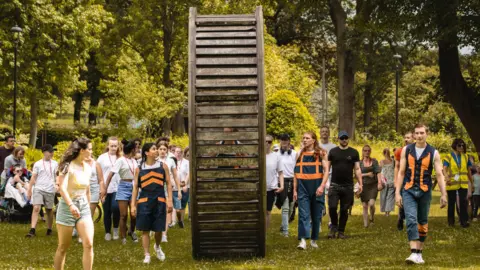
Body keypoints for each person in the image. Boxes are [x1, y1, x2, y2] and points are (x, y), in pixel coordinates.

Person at [395, 124, 447, 265]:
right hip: (408, 189)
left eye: (422, 133)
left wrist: (444, 194)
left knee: (422, 222)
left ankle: (419, 253)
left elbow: (439, 174)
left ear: (427, 134)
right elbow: (401, 172)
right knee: (411, 219)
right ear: (413, 135)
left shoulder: (433, 152)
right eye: (417, 133)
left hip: (424, 190)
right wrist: (397, 193)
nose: (419, 136)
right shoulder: (407, 150)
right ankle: (414, 252)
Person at [54, 138, 94, 270]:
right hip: (67, 207)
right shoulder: (67, 166)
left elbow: (87, 189)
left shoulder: (88, 167)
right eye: (90, 149)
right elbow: (62, 188)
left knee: (88, 244)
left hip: (83, 206)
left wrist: (87, 206)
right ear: (82, 150)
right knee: (63, 247)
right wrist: (71, 205)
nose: (91, 152)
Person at [131, 143, 173, 263]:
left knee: (159, 229)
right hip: (144, 202)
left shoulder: (163, 166)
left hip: (159, 201)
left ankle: (157, 247)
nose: (156, 151)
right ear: (146, 153)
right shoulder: (139, 169)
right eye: (154, 149)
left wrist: (169, 201)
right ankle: (147, 254)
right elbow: (135, 188)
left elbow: (169, 184)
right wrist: (133, 205)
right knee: (145, 229)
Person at [293, 131, 328, 249]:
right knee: (303, 214)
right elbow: (296, 173)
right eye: (303, 138)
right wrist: (294, 190)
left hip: (317, 187)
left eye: (307, 138)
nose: (304, 140)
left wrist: (322, 186)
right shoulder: (299, 154)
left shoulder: (321, 153)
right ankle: (302, 241)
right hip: (303, 188)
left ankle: (314, 240)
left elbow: (326, 171)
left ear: (313, 140)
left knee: (316, 215)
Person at [326, 131, 362, 239]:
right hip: (334, 185)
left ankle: (341, 231)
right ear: (338, 139)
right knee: (332, 207)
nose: (344, 140)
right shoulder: (333, 152)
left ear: (348, 139)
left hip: (348, 186)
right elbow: (327, 168)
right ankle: (333, 227)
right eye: (342, 138)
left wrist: (360, 183)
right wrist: (325, 182)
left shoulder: (354, 152)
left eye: (346, 138)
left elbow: (357, 168)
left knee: (344, 209)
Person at [106, 139, 139, 244]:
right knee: (123, 215)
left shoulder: (134, 161)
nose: (137, 150)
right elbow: (111, 174)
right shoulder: (120, 160)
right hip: (123, 187)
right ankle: (123, 236)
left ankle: (132, 231)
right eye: (136, 149)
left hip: (134, 187)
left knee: (134, 213)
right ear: (132, 150)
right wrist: (105, 188)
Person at [26, 144, 58, 237]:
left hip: (50, 189)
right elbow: (33, 177)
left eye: (52, 151)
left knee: (49, 209)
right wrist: (29, 190)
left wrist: (57, 185)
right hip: (39, 188)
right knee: (36, 208)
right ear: (44, 152)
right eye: (50, 151)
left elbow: (57, 176)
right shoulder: (38, 164)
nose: (52, 153)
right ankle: (32, 230)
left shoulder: (55, 163)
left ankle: (49, 229)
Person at [443, 138, 473, 228]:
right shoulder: (448, 156)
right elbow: (444, 169)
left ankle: (464, 222)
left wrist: (471, 183)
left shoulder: (466, 156)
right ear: (455, 146)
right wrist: (446, 177)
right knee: (451, 203)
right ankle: (451, 222)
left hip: (463, 183)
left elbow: (469, 171)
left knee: (463, 202)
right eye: (459, 145)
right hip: (452, 183)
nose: (461, 147)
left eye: (463, 145)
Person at [97, 137, 121, 241]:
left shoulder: (121, 158)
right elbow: (99, 173)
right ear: (108, 146)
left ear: (118, 146)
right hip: (105, 188)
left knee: (115, 208)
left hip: (118, 187)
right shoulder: (102, 158)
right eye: (111, 145)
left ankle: (115, 228)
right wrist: (101, 189)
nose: (113, 148)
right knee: (106, 210)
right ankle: (107, 232)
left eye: (115, 146)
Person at [156, 141, 181, 242]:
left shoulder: (171, 161)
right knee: (158, 210)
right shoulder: (154, 160)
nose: (162, 151)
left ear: (167, 151)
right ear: (158, 150)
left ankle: (164, 234)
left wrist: (179, 190)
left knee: (167, 210)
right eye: (160, 149)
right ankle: (156, 229)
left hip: (167, 187)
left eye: (164, 149)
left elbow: (175, 176)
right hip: (156, 187)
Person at [394, 132, 415, 230]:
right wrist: (395, 181)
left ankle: (411, 220)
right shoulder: (399, 151)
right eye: (405, 138)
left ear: (413, 139)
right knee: (403, 201)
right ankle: (401, 218)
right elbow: (397, 167)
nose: (406, 139)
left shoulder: (418, 151)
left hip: (415, 179)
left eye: (408, 138)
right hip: (403, 180)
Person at [277, 133, 297, 237]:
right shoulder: (276, 154)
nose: (284, 142)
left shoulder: (294, 153)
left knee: (291, 206)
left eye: (286, 140)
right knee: (285, 207)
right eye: (282, 140)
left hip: (293, 181)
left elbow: (297, 169)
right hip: (282, 181)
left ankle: (283, 225)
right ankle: (285, 231)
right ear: (280, 141)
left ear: (289, 141)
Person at [359, 145, 381, 227]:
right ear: (362, 151)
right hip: (363, 185)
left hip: (373, 185)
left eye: (368, 150)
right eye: (365, 150)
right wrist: (367, 174)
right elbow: (356, 175)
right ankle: (365, 224)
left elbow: (378, 172)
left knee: (371, 204)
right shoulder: (359, 163)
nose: (367, 152)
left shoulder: (374, 161)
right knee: (364, 205)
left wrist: (379, 183)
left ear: (370, 151)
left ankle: (372, 217)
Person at [265, 135, 284, 229]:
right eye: (265, 141)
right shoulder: (258, 156)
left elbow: (280, 172)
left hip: (271, 188)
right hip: (259, 187)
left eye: (269, 142)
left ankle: (266, 232)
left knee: (268, 211)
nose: (267, 144)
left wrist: (282, 186)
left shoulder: (276, 156)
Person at [85, 148, 105, 219]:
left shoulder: (96, 164)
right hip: (83, 189)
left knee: (89, 214)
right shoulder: (80, 162)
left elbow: (101, 179)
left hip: (94, 190)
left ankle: (87, 229)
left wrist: (102, 191)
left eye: (90, 150)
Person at [173, 146, 189, 228]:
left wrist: (185, 184)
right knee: (176, 205)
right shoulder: (172, 162)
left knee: (183, 204)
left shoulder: (186, 162)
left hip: (185, 186)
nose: (178, 153)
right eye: (176, 152)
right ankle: (174, 221)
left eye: (180, 152)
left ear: (182, 153)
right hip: (175, 187)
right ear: (174, 153)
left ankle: (181, 221)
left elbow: (188, 173)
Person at [380, 148, 395, 216]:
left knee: (384, 196)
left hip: (386, 181)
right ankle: (387, 212)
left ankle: (386, 212)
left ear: (383, 153)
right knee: (389, 197)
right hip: (390, 180)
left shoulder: (382, 161)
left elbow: (379, 171)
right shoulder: (393, 161)